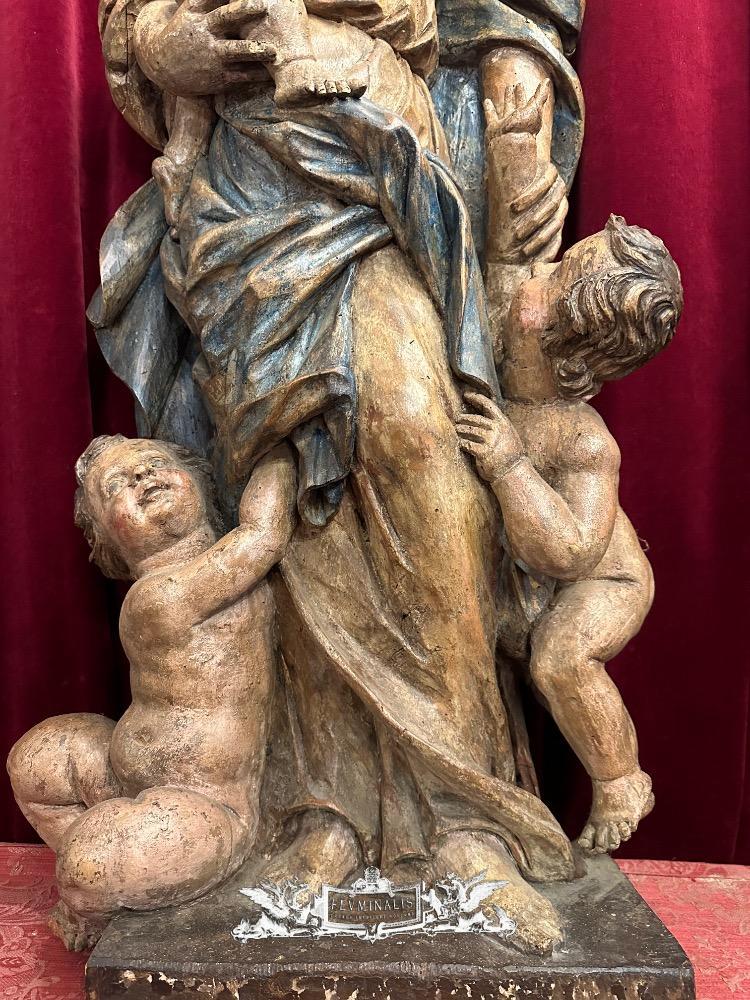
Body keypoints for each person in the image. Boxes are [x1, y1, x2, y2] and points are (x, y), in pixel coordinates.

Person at [456, 86, 683, 856]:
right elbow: (512, 245)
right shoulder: (520, 301)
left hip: (603, 582)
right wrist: (516, 146)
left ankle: (620, 778)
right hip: (539, 566)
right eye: (560, 265)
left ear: (574, 360)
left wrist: (509, 465)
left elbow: (571, 552)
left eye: (554, 287)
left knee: (559, 656)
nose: (537, 279)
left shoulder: (581, 441)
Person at [7, 436, 296, 949]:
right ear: (107, 540)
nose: (141, 478)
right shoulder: (157, 596)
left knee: (89, 862)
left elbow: (261, 538)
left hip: (207, 806)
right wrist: (280, 444)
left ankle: (104, 871)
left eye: (155, 464)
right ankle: (117, 881)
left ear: (201, 484)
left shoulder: (202, 580)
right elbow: (262, 533)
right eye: (116, 486)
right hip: (122, 776)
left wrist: (278, 442)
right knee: (35, 761)